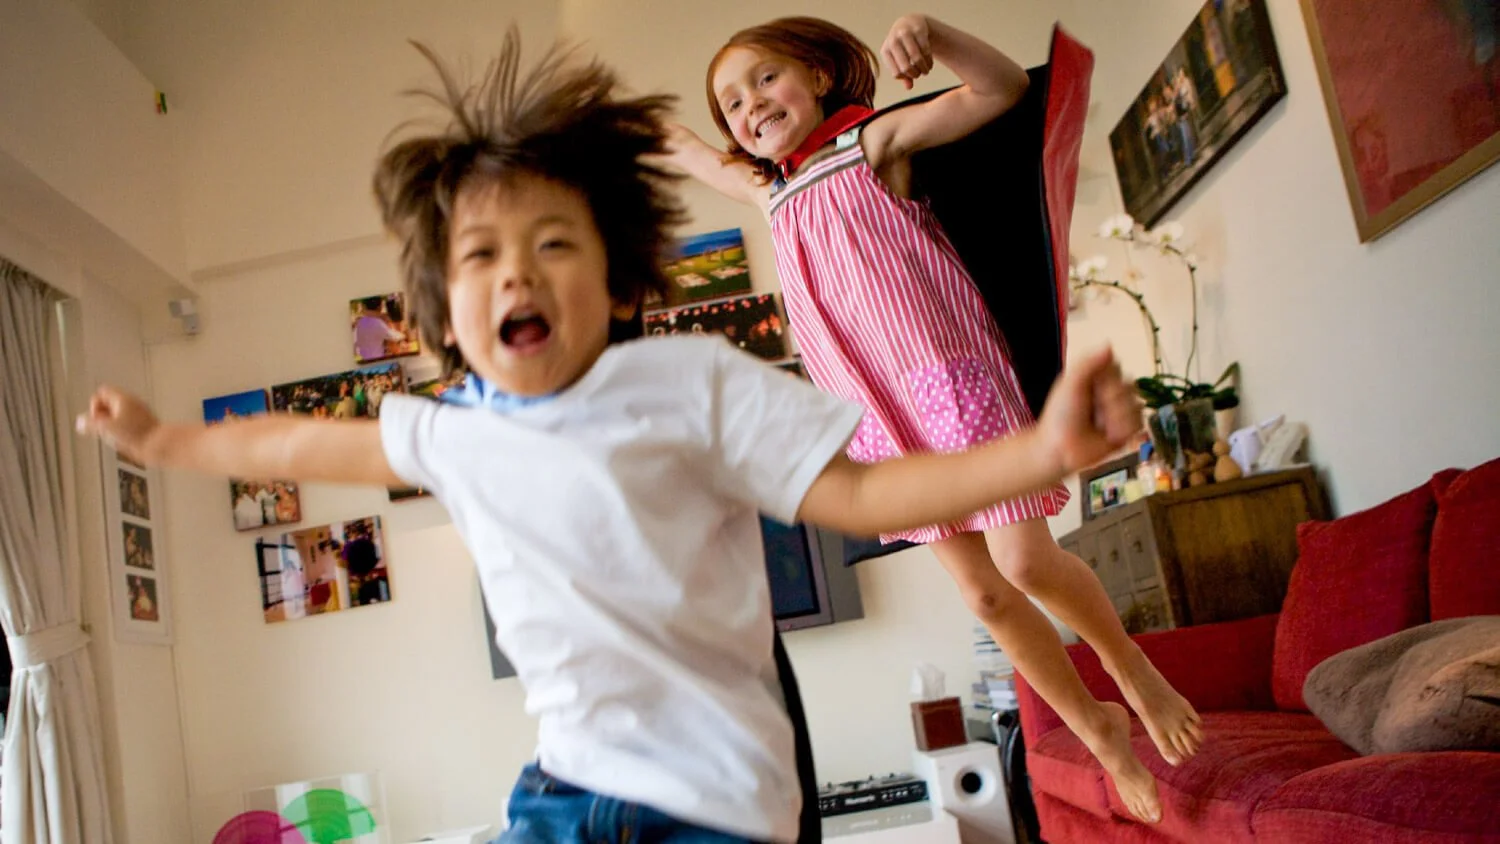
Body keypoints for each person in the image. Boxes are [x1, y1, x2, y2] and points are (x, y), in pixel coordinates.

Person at [77, 31, 1144, 843]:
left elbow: (865, 498)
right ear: (446, 318)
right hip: (562, 790)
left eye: (553, 244)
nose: (518, 272)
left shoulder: (688, 383)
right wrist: (168, 440)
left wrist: (1042, 449)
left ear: (622, 279)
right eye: (482, 256)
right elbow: (293, 450)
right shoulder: (458, 434)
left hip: (716, 802)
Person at [661, 15, 1201, 822]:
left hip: (950, 378)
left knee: (1023, 562)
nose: (750, 106)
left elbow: (1003, 91)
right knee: (983, 597)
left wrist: (931, 33)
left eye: (765, 79)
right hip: (872, 415)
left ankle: (1130, 672)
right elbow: (682, 148)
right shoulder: (769, 190)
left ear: (815, 75)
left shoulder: (871, 144)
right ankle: (1093, 726)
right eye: (731, 103)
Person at [353, 295, 407, 361]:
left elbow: (355, 343)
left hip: (363, 357)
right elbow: (393, 337)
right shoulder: (377, 323)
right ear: (379, 307)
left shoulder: (361, 321)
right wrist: (404, 335)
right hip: (375, 358)